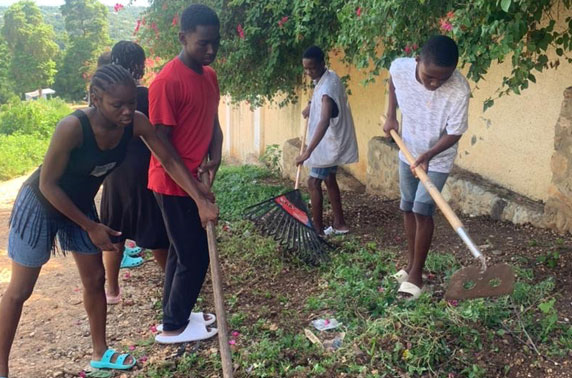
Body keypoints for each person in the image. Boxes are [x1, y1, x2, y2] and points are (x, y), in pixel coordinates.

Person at [0, 64, 218, 376]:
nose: (128, 111)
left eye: (132, 103)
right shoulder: (72, 128)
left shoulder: (135, 124)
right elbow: (48, 185)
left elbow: (168, 158)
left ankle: (100, 352)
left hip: (79, 204)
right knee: (20, 291)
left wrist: (198, 198)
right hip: (42, 204)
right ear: (95, 98)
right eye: (118, 105)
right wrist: (91, 226)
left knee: (95, 279)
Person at [148, 4, 223, 344]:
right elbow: (162, 147)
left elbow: (212, 120)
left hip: (194, 179)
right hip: (172, 183)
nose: (210, 51)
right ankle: (175, 327)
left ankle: (173, 316)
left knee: (180, 252)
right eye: (202, 43)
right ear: (183, 38)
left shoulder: (209, 76)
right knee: (194, 256)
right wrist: (198, 196)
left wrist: (216, 154)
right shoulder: (166, 82)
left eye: (215, 43)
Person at [383, 35, 470, 300]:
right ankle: (410, 266)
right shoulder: (400, 67)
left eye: (442, 78)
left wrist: (429, 154)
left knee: (423, 209)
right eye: (429, 76)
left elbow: (455, 133)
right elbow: (392, 83)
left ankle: (417, 274)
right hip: (407, 150)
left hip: (438, 157)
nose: (435, 84)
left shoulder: (459, 89)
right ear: (417, 61)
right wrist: (390, 116)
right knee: (407, 206)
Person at [99, 41, 170, 306]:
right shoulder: (145, 95)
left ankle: (113, 290)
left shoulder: (104, 96)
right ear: (140, 65)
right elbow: (158, 133)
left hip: (115, 172)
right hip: (143, 167)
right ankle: (172, 285)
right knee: (156, 231)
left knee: (115, 231)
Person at [295, 45, 359, 236]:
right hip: (329, 141)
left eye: (312, 68)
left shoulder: (328, 87)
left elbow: (324, 119)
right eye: (305, 68)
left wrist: (308, 151)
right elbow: (320, 100)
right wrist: (310, 105)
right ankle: (340, 224)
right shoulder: (326, 77)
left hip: (328, 143)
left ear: (323, 63)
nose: (308, 72)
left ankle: (317, 229)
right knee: (330, 179)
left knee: (313, 182)